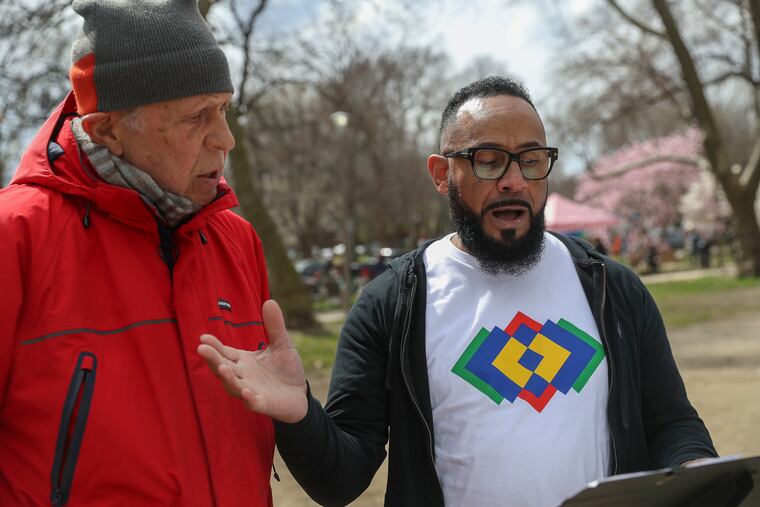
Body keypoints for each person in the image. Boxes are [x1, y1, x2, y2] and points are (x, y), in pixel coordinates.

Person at [198, 76, 717, 507]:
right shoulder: (391, 305)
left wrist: (696, 469)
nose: (514, 180)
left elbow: (671, 421)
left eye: (531, 160)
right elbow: (340, 479)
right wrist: (299, 413)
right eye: (489, 160)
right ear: (442, 174)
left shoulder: (612, 289)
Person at [0, 1, 275, 505]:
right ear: (108, 131)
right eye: (197, 117)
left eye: (223, 109)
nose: (226, 139)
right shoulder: (14, 237)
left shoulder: (237, 241)